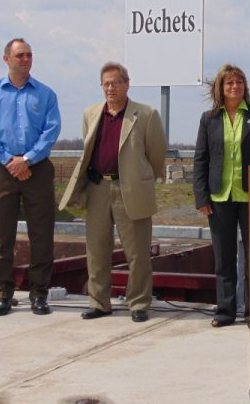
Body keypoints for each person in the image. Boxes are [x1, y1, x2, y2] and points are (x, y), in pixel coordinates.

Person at [59, 62, 167, 323]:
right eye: (105, 83)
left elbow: (156, 156)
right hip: (98, 189)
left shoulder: (146, 114)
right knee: (96, 249)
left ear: (126, 84)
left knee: (138, 252)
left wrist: (137, 179)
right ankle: (99, 302)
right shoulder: (90, 114)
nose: (110, 88)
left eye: (115, 83)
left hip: (130, 188)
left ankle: (139, 303)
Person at [0, 38, 61, 316]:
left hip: (37, 169)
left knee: (41, 235)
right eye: (20, 55)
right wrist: (9, 161)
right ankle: (2, 294)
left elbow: (51, 131)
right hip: (2, 170)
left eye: (29, 55)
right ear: (6, 59)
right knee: (1, 236)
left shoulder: (46, 94)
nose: (25, 59)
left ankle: (39, 294)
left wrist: (26, 159)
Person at [193, 64, 250, 327]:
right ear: (221, 88)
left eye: (239, 83)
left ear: (245, 87)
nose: (235, 87)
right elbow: (201, 159)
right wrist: (201, 197)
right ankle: (225, 311)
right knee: (224, 257)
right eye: (229, 83)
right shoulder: (209, 119)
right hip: (219, 197)